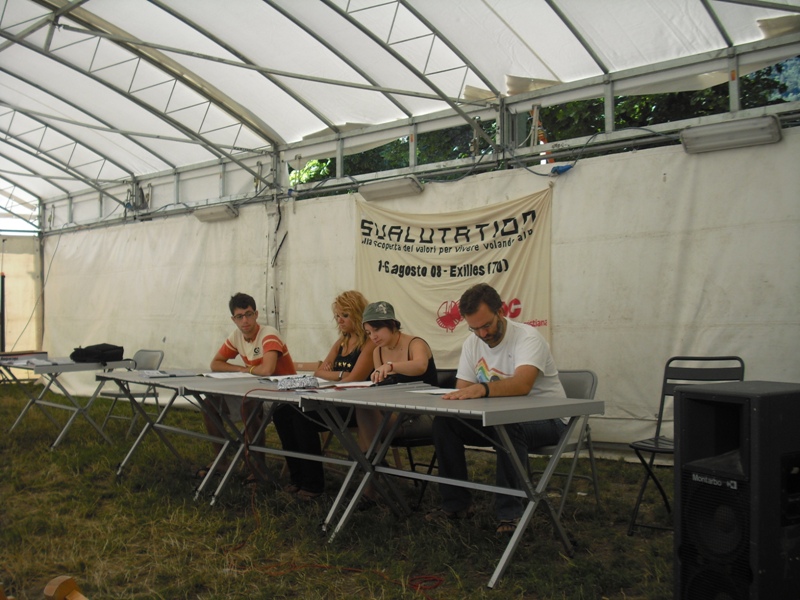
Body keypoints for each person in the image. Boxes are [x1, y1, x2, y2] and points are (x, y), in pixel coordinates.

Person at [428, 283, 567, 535]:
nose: (482, 333)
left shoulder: (527, 337)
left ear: (501, 311)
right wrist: (468, 393)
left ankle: (510, 513)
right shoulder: (472, 343)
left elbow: (523, 384)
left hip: (549, 418)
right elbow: (463, 389)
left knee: (510, 426)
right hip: (498, 418)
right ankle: (456, 504)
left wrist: (482, 389)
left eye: (486, 325)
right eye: (474, 328)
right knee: (445, 423)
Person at [273, 291, 375, 500]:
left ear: (358, 315)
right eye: (337, 316)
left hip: (356, 406)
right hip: (332, 398)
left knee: (302, 416)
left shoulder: (369, 343)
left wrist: (337, 375)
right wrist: (340, 374)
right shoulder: (342, 342)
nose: (340, 320)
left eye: (345, 315)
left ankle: (313, 484)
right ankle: (297, 477)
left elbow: (355, 378)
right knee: (282, 411)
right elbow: (319, 372)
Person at [201, 292, 296, 483]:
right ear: (233, 319)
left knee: (249, 405)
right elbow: (215, 364)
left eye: (249, 314)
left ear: (256, 314)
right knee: (208, 404)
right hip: (255, 390)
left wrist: (248, 370)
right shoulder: (237, 336)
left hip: (284, 394)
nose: (245, 320)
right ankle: (222, 461)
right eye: (239, 316)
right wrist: (243, 369)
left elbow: (267, 370)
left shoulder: (268, 334)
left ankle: (260, 468)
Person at [356, 300, 438, 505]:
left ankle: (369, 473)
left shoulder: (415, 343)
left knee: (367, 423)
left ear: (392, 324)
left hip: (425, 413)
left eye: (377, 329)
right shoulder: (378, 351)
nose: (373, 336)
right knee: (363, 408)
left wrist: (392, 366)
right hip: (394, 413)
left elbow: (420, 365)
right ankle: (373, 466)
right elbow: (381, 388)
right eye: (368, 332)